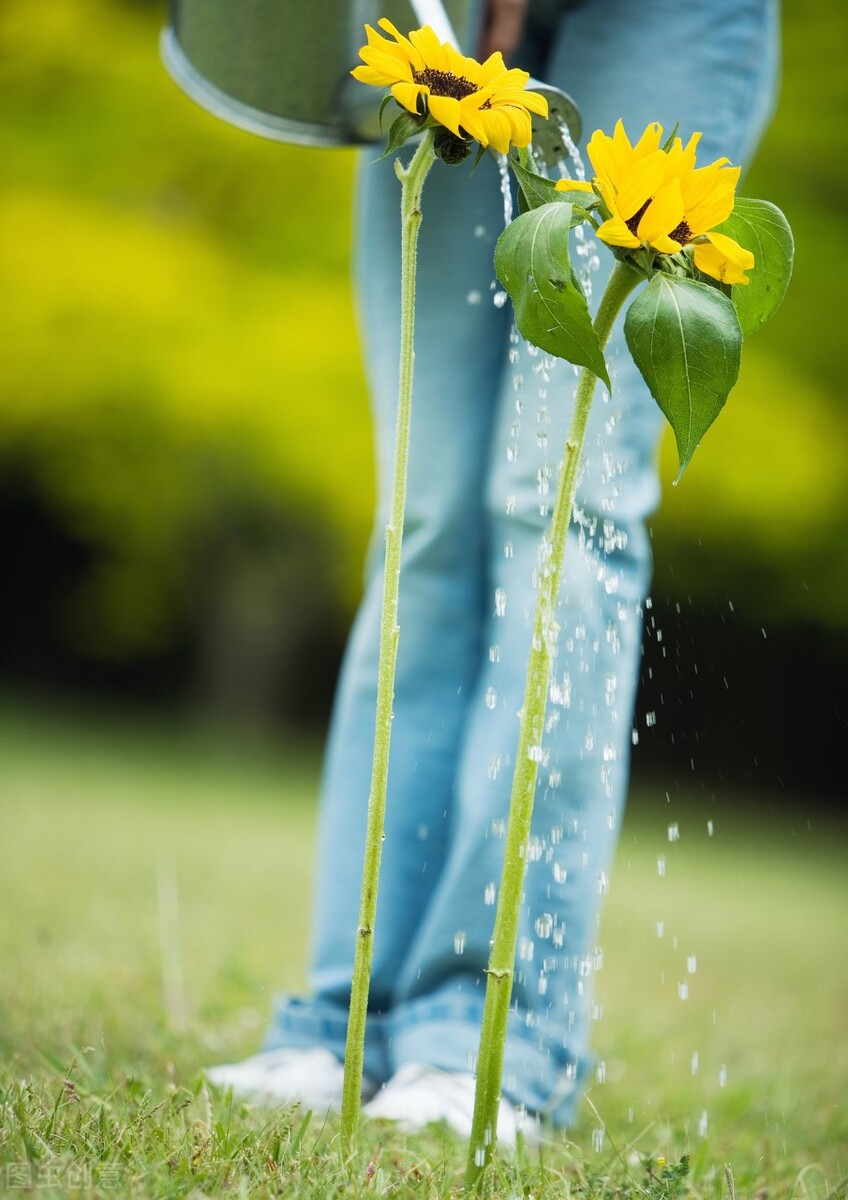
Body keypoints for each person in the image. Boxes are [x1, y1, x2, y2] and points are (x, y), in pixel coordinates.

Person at [208, 0, 780, 1138]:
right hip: (449, 17)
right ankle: (345, 1020)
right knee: (424, 513)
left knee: (558, 503)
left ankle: (494, 1036)